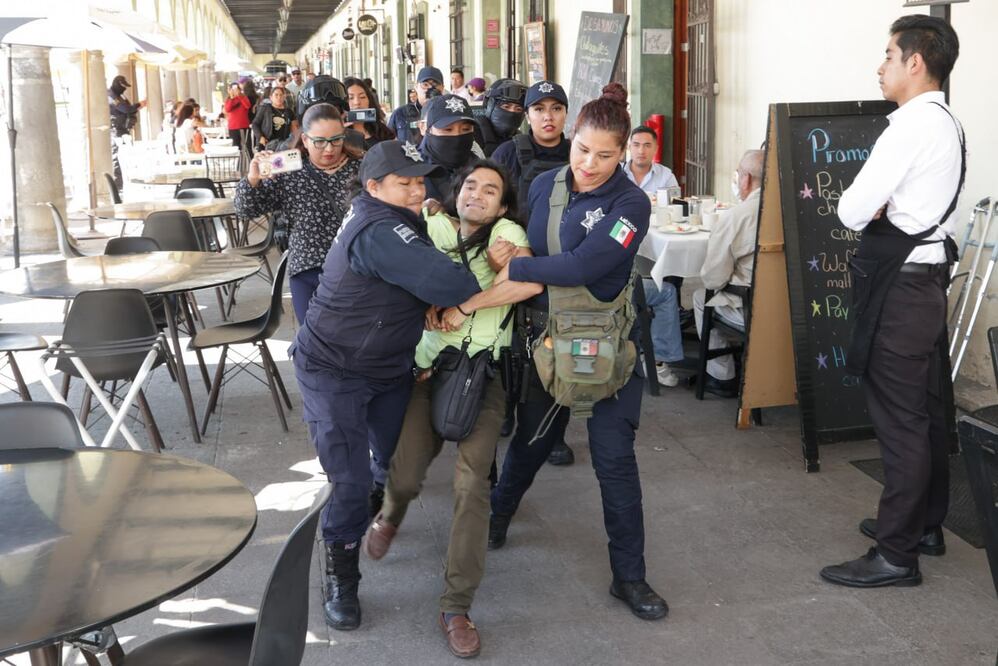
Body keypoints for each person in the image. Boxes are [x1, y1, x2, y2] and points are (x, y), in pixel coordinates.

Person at [487, 83, 669, 622]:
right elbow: (524, 235)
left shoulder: (630, 203)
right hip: (546, 342)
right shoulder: (544, 184)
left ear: (623, 154)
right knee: (531, 442)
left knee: (616, 462)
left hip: (607, 347)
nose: (589, 164)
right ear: (573, 138)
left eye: (605, 156)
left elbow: (585, 265)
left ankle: (629, 576)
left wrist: (516, 266)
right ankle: (497, 516)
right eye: (583, 149)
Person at [291, 140, 482, 631]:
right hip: (334, 370)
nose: (417, 190)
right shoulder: (380, 229)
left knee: (391, 459)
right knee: (348, 481)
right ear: (374, 187)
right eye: (405, 183)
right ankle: (342, 577)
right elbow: (455, 284)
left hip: (387, 366)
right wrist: (441, 291)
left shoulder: (398, 219)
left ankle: (370, 510)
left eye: (420, 181)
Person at [362, 160, 539, 658]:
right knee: (404, 473)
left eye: (490, 190)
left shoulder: (506, 235)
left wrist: (466, 304)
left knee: (471, 484)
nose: (477, 194)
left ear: (502, 206)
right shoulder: (431, 226)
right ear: (456, 194)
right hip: (427, 370)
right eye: (470, 186)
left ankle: (456, 606)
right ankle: (391, 514)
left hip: (483, 376)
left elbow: (528, 282)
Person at [820, 15, 962, 589]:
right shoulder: (947, 121)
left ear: (915, 62)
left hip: (900, 292)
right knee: (925, 411)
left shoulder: (908, 127)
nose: (880, 66)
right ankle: (923, 525)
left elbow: (851, 210)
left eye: (888, 55)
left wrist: (871, 205)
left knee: (901, 422)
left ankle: (897, 555)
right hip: (924, 286)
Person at [491, 79, 576, 464]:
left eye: (556, 108)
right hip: (515, 261)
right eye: (539, 109)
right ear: (527, 115)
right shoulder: (509, 152)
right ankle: (507, 408)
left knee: (560, 346)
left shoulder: (578, 153)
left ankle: (554, 431)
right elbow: (490, 200)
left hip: (563, 265)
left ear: (565, 114)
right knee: (511, 346)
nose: (548, 117)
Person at [236, 103, 362, 324]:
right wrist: (253, 179)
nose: (329, 149)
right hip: (308, 270)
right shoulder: (289, 171)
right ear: (304, 139)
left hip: (356, 269)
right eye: (319, 142)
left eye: (336, 140)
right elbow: (245, 209)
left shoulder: (361, 168)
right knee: (313, 338)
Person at [689, 149, 764, 398]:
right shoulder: (790, 207)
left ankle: (722, 375)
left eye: (738, 174)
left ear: (746, 179)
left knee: (701, 297)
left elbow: (713, 277)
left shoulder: (738, 216)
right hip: (790, 306)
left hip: (751, 309)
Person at [418, 94, 479, 203]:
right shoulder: (411, 170)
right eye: (448, 129)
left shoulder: (479, 168)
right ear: (425, 129)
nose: (457, 136)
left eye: (466, 129)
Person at [388, 66, 445, 144]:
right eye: (425, 85)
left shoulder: (449, 113)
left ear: (442, 88)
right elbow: (387, 143)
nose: (429, 89)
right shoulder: (400, 114)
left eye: (435, 85)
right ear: (416, 87)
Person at [107, 75, 145, 188]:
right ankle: (119, 184)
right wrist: (139, 104)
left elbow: (129, 109)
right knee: (118, 157)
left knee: (128, 155)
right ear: (118, 85)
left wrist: (135, 108)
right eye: (123, 87)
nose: (124, 89)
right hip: (116, 130)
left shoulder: (120, 96)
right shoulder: (111, 96)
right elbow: (125, 109)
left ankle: (128, 180)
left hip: (124, 129)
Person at [474, 78, 527, 156]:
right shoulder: (473, 135)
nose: (512, 112)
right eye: (506, 107)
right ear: (489, 105)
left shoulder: (522, 141)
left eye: (518, 109)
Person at [343, 76, 395, 149]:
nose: (357, 102)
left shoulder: (383, 132)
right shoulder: (338, 135)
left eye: (362, 97)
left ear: (369, 100)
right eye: (350, 98)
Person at [624, 126, 678, 193]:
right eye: (636, 145)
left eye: (647, 145)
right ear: (629, 147)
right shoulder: (616, 172)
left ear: (655, 149)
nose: (641, 151)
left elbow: (675, 199)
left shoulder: (666, 176)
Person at [251, 85, 298, 152]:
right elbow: (255, 124)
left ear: (284, 97)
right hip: (266, 144)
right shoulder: (265, 108)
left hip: (283, 145)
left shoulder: (289, 111)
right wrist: (260, 137)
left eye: (281, 95)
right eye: (276, 95)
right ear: (271, 97)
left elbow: (294, 129)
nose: (279, 97)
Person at [224, 82, 252, 154]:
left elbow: (247, 106)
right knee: (235, 148)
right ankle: (238, 161)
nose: (234, 91)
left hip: (244, 126)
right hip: (233, 127)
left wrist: (239, 95)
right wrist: (232, 97)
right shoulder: (228, 100)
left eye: (236, 89)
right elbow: (227, 109)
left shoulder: (243, 97)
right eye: (232, 89)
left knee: (248, 147)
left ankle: (249, 160)